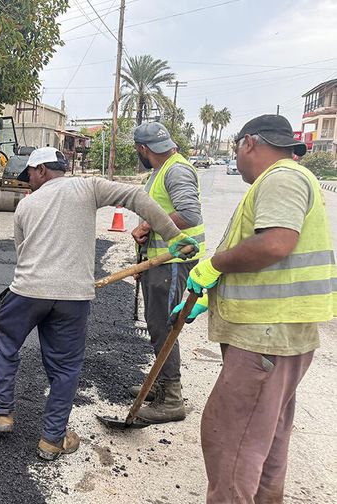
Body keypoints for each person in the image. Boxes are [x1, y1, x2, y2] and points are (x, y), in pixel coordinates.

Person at [0, 147, 199, 461]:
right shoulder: (89, 187)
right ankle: (52, 440)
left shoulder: (27, 205)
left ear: (42, 171)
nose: (29, 182)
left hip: (27, 292)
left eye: (30, 174)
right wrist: (173, 235)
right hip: (73, 296)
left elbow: (22, 256)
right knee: (64, 368)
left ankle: (1, 414)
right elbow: (137, 197)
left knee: (6, 344)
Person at [172, 114, 335, 502]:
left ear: (249, 143)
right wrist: (213, 294)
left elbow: (275, 244)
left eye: (236, 149)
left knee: (230, 441)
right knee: (266, 439)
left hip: (264, 335)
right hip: (278, 334)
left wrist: (214, 265)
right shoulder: (286, 178)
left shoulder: (282, 177)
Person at [129, 122, 206, 424]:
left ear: (144, 149)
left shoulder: (177, 170)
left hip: (175, 260)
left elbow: (188, 213)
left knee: (163, 325)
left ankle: (171, 398)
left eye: (138, 151)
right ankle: (159, 385)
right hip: (160, 260)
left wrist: (147, 225)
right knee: (156, 322)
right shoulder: (161, 171)